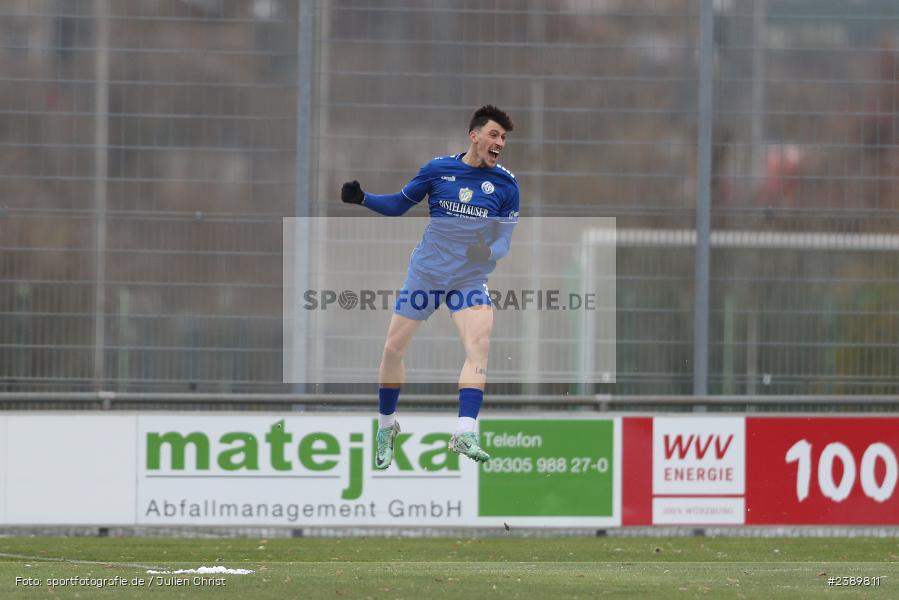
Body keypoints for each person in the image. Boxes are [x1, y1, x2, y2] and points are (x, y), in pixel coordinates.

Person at [340, 105, 520, 469]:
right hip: (427, 274)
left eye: (504, 138)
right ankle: (387, 427)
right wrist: (363, 198)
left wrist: (488, 250)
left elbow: (504, 241)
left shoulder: (506, 185)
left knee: (479, 344)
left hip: (468, 279)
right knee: (393, 349)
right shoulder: (438, 170)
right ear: (475, 136)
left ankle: (465, 431)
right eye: (494, 135)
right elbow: (397, 205)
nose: (500, 142)